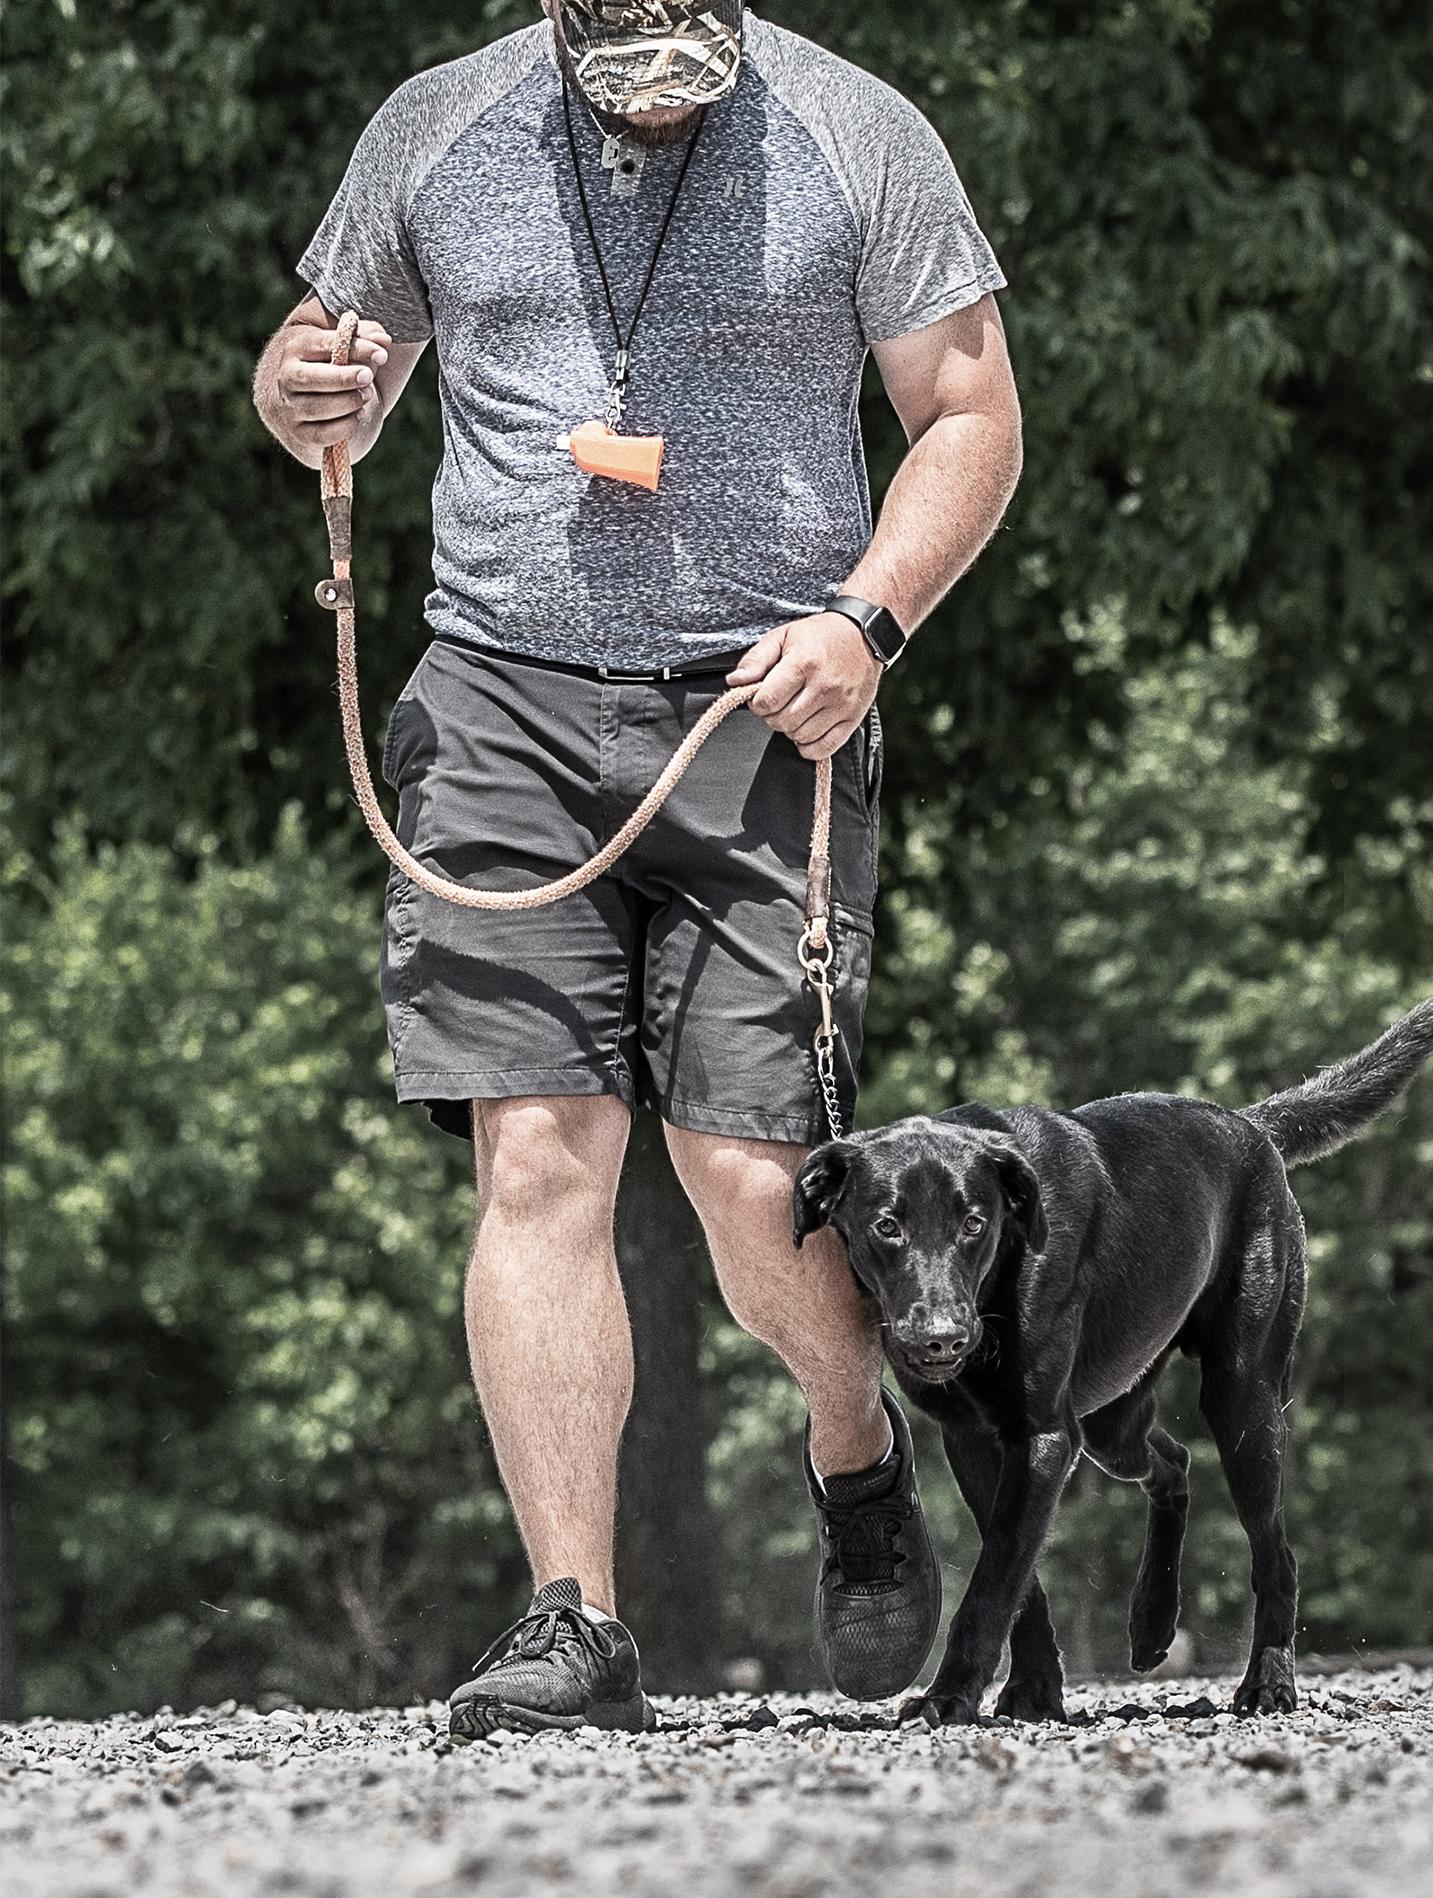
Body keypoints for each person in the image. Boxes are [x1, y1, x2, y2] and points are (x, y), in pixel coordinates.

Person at [252, 0, 1021, 1736]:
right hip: (499, 704)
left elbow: (971, 413)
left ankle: (855, 1447)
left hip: (764, 706)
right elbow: (326, 368)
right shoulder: (436, 125)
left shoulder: (857, 130)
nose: (656, 85)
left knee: (753, 1188)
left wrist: (868, 622)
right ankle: (573, 1619)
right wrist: (304, 391)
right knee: (535, 1158)